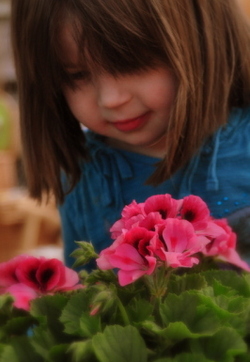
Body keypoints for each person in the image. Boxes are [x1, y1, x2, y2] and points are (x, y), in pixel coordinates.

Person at [11, 0, 250, 267]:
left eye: (131, 63)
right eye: (77, 75)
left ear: (202, 37)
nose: (110, 99)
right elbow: (86, 298)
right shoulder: (84, 178)